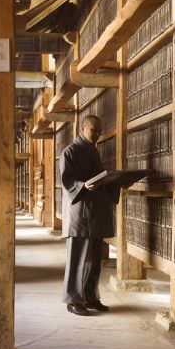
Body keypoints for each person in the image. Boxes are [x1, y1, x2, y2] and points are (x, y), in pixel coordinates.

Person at [59, 115, 119, 316]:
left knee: (94, 260)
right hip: (80, 215)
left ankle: (91, 297)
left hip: (95, 215)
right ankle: (73, 300)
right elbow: (67, 182)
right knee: (78, 260)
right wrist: (83, 185)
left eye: (100, 130)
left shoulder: (93, 151)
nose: (98, 134)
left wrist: (116, 182)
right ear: (82, 128)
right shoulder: (70, 152)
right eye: (94, 129)